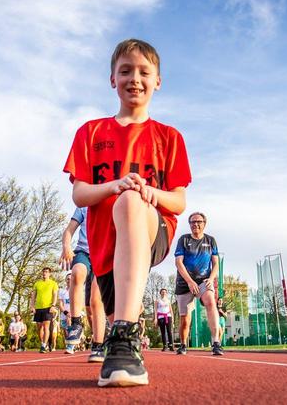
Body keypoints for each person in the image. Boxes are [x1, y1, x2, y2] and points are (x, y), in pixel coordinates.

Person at [64, 38, 191, 387]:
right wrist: (116, 185)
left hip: (153, 230)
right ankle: (121, 336)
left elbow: (179, 202)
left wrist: (147, 192)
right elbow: (79, 194)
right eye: (125, 71)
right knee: (110, 305)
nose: (134, 78)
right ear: (112, 79)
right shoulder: (90, 133)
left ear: (158, 81)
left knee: (134, 202)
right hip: (105, 247)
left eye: (144, 72)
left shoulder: (170, 137)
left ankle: (124, 333)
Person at [60, 206, 107, 363]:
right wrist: (66, 247)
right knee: (77, 272)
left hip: (104, 253)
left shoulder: (113, 201)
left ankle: (98, 344)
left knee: (95, 301)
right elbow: (69, 230)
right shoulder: (83, 205)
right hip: (83, 252)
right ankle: (76, 324)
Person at [174, 212, 223, 356]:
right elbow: (178, 262)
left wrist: (211, 278)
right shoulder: (183, 240)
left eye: (198, 221)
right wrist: (189, 281)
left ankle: (216, 343)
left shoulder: (211, 240)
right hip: (184, 283)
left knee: (210, 302)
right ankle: (183, 344)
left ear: (204, 223)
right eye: (192, 222)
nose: (195, 224)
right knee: (185, 318)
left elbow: (215, 263)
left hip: (204, 280)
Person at [29, 267, 58, 353]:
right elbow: (33, 296)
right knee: (39, 328)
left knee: (46, 327)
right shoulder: (37, 283)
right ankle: (42, 343)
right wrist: (32, 306)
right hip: (38, 308)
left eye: (46, 272)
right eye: (43, 272)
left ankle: (44, 345)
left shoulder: (53, 283)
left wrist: (53, 305)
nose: (44, 273)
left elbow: (55, 295)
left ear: (49, 274)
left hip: (48, 307)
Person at [58, 274, 74, 353]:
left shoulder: (76, 291)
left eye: (71, 279)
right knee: (65, 332)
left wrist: (71, 314)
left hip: (74, 314)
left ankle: (70, 347)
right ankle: (69, 345)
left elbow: (78, 304)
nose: (69, 280)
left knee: (70, 329)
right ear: (65, 280)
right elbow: (60, 304)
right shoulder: (62, 291)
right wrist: (66, 313)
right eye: (67, 279)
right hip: (64, 314)